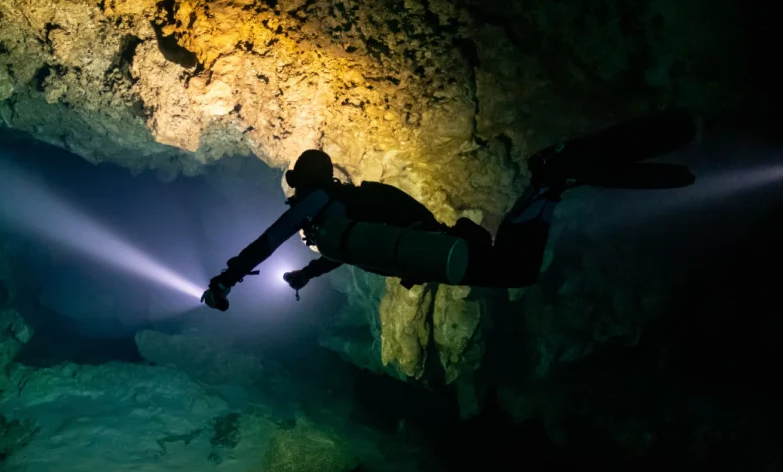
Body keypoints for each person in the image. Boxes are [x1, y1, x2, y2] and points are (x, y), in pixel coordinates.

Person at [201, 109, 697, 311]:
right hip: (433, 248)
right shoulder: (335, 215)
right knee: (516, 267)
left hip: (435, 250)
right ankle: (551, 183)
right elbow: (351, 248)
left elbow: (268, 240)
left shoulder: (316, 204)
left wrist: (227, 278)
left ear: (304, 182)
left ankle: (551, 177)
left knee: (517, 268)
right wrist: (309, 273)